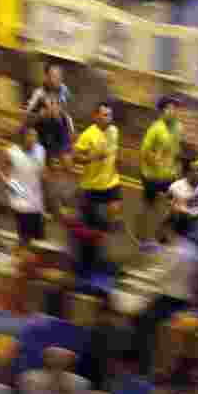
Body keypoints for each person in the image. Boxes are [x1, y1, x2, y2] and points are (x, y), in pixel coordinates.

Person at [134, 217, 198, 375]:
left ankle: (144, 365)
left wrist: (150, 257)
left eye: (164, 228)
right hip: (187, 299)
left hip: (172, 299)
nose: (162, 231)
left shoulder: (175, 251)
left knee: (143, 319)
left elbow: (159, 275)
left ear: (170, 229)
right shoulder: (194, 250)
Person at [73, 102, 121, 277]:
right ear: (95, 116)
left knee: (113, 220)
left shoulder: (114, 131)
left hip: (111, 183)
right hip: (91, 187)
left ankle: (105, 260)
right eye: (104, 115)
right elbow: (75, 157)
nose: (108, 118)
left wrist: (117, 164)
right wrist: (92, 157)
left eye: (110, 115)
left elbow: (114, 153)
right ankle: (87, 264)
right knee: (91, 230)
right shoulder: (88, 135)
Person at [139, 97, 184, 250]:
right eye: (168, 108)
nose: (172, 111)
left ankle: (161, 233)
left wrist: (177, 166)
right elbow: (144, 152)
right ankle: (144, 236)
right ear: (161, 111)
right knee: (150, 207)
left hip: (169, 176)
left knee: (175, 206)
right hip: (151, 176)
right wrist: (155, 161)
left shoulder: (178, 127)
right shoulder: (155, 129)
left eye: (174, 108)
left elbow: (176, 148)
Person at [0, 127, 47, 248]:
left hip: (36, 200)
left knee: (34, 237)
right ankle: (21, 252)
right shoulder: (11, 152)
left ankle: (23, 252)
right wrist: (11, 185)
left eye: (35, 136)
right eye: (30, 136)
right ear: (23, 138)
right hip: (20, 199)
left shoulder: (40, 150)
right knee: (24, 236)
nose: (33, 139)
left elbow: (43, 172)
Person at [168, 158, 198, 247]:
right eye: (197, 170)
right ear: (188, 173)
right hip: (184, 235)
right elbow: (168, 207)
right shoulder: (175, 187)